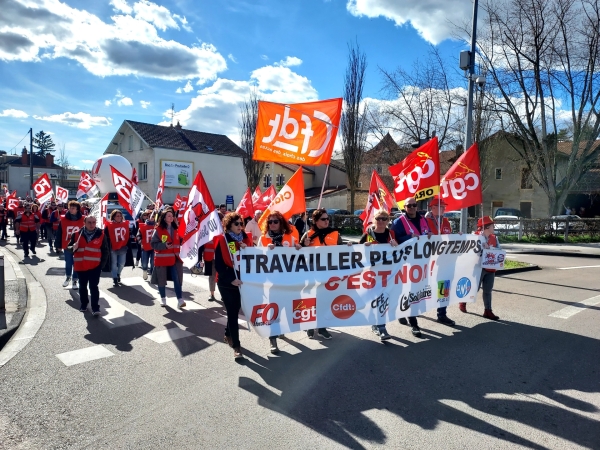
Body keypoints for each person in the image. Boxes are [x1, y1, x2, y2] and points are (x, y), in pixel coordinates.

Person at [258, 211, 302, 353]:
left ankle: (280, 329)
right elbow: (256, 257)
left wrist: (299, 248)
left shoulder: (290, 236)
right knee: (273, 309)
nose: (272, 224)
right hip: (272, 281)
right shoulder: (263, 238)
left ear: (281, 222)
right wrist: (265, 251)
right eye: (270, 222)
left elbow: (297, 255)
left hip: (288, 280)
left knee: (286, 308)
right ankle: (273, 339)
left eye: (275, 221)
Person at [390, 196, 432, 337]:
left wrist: (430, 235)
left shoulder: (422, 219)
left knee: (415, 291)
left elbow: (425, 235)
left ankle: (403, 312)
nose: (412, 208)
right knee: (408, 291)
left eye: (414, 205)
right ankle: (414, 324)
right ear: (405, 208)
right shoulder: (399, 222)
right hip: (406, 262)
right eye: (409, 206)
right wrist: (409, 238)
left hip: (420, 263)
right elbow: (393, 240)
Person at [214, 212, 253, 360]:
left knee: (235, 310)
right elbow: (218, 264)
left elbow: (254, 259)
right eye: (236, 224)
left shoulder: (246, 238)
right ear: (229, 225)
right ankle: (237, 346)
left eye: (241, 223)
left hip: (242, 281)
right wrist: (231, 279)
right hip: (226, 283)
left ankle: (227, 334)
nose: (239, 226)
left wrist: (247, 249)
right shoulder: (223, 239)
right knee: (232, 312)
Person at [301, 208, 343, 340]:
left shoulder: (335, 234)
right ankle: (309, 326)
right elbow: (297, 253)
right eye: (323, 219)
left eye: (327, 218)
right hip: (311, 274)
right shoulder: (308, 234)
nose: (327, 221)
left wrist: (349, 247)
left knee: (325, 300)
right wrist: (303, 244)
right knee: (310, 301)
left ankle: (322, 328)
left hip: (328, 274)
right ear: (315, 221)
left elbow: (343, 252)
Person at [358, 209, 398, 341]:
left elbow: (400, 251)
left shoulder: (391, 234)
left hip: (387, 273)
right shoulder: (368, 233)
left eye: (384, 219)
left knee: (383, 299)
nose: (381, 221)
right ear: (374, 219)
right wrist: (364, 246)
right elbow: (356, 252)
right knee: (375, 299)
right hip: (371, 274)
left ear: (387, 221)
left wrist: (395, 246)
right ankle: (378, 326)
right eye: (378, 219)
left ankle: (380, 326)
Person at [68, 216, 110, 315]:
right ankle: (84, 304)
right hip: (81, 265)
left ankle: (95, 307)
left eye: (94, 222)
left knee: (93, 287)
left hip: (95, 266)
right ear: (84, 223)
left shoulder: (101, 234)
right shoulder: (76, 235)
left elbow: (105, 251)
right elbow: (68, 248)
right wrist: (72, 247)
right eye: (89, 222)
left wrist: (101, 265)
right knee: (82, 286)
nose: (92, 225)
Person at [424, 195, 456, 326]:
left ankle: (442, 314)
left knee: (444, 285)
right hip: (428, 262)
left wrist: (457, 237)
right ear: (433, 208)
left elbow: (450, 237)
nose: (444, 209)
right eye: (441, 207)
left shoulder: (446, 221)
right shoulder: (425, 221)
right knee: (422, 287)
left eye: (444, 207)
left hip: (444, 261)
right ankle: (410, 312)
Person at [462, 216, 500, 320]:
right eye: (492, 225)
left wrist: (490, 248)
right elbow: (467, 247)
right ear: (487, 227)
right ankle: (463, 301)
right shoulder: (475, 236)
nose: (494, 227)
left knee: (488, 290)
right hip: (478, 267)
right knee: (475, 288)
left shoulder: (494, 238)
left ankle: (488, 310)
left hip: (490, 268)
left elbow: (499, 251)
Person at [151, 209, 185, 308]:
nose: (171, 217)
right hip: (162, 259)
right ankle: (163, 299)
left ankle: (180, 300)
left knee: (177, 279)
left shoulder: (177, 229)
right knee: (161, 280)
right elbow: (153, 244)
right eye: (169, 216)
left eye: (172, 215)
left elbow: (182, 241)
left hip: (175, 259)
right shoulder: (158, 229)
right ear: (164, 218)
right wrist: (164, 245)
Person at [55, 200, 85, 288]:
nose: (71, 210)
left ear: (77, 209)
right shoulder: (63, 219)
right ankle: (68, 277)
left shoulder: (84, 219)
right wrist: (58, 245)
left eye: (73, 208)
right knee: (68, 262)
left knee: (76, 263)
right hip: (67, 244)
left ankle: (75, 280)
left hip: (79, 245)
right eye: (70, 208)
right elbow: (59, 232)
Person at [105, 209, 130, 287]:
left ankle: (118, 273)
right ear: (113, 217)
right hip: (113, 247)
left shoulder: (125, 224)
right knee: (114, 263)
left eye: (120, 216)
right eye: (117, 216)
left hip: (122, 247)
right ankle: (115, 278)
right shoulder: (109, 225)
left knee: (122, 263)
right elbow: (105, 235)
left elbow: (128, 234)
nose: (119, 217)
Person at [136, 210, 155, 281]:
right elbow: (138, 236)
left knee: (153, 262)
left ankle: (152, 274)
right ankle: (144, 271)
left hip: (154, 247)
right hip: (145, 247)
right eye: (149, 216)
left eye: (153, 216)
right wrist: (141, 243)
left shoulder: (157, 226)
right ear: (147, 217)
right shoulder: (142, 226)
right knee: (144, 262)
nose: (151, 218)